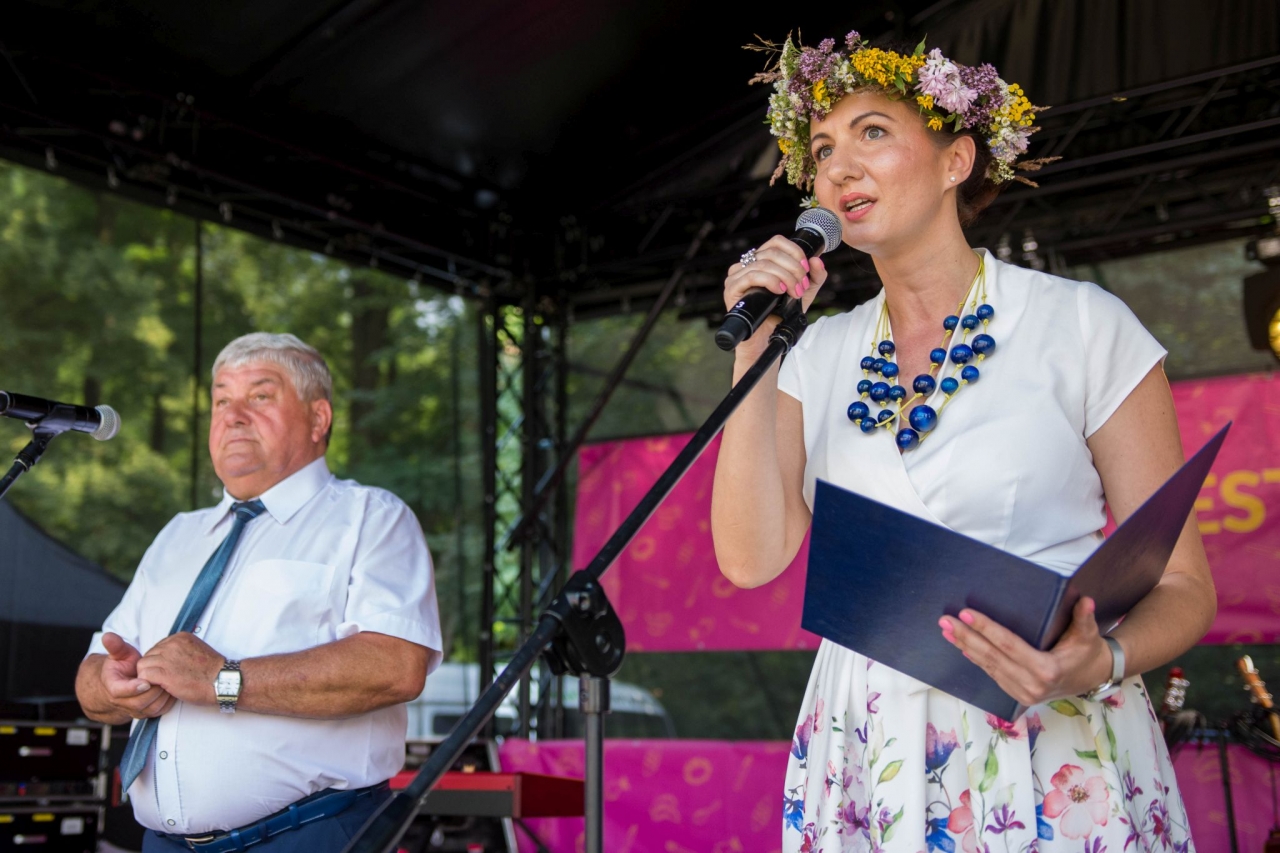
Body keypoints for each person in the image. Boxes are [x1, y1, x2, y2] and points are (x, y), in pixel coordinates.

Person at [712, 32, 1209, 852]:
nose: (837, 168)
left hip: (1053, 738)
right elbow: (749, 558)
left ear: (956, 161)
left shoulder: (1080, 323)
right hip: (870, 744)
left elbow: (1186, 584)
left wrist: (1099, 660)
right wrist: (753, 352)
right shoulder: (818, 352)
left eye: (872, 132)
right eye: (823, 149)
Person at [76, 332, 442, 852]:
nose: (234, 415)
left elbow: (395, 666)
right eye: (221, 400)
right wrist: (113, 688)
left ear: (318, 419)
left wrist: (222, 680)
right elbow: (93, 674)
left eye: (261, 396)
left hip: (307, 836)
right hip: (161, 843)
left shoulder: (371, 518)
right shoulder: (177, 535)